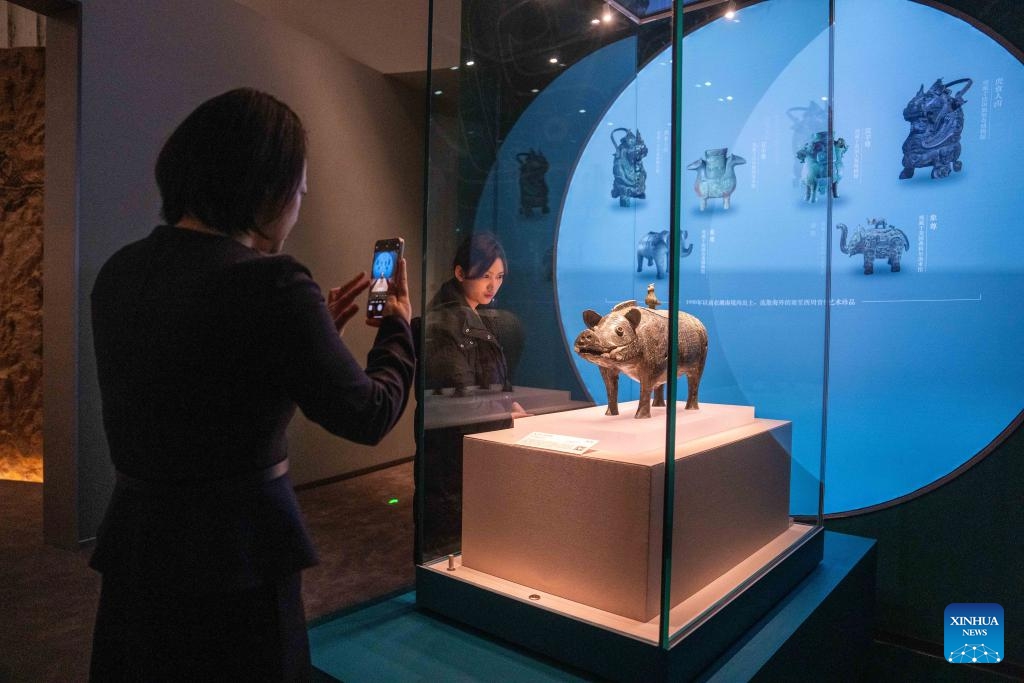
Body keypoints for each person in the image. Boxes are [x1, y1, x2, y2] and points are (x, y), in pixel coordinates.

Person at [88, 88, 415, 681]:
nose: (297, 208)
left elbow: (200, 382)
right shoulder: (273, 284)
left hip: (139, 542)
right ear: (266, 189)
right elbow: (369, 416)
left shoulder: (119, 271)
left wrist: (303, 337)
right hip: (235, 552)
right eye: (298, 192)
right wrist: (397, 326)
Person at [414, 232, 525, 561]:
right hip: (451, 460)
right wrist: (504, 412)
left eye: (499, 276)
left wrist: (506, 405)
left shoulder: (478, 316)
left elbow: (482, 383)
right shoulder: (443, 324)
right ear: (460, 273)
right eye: (485, 275)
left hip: (470, 455)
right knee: (449, 553)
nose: (493, 285)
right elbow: (457, 400)